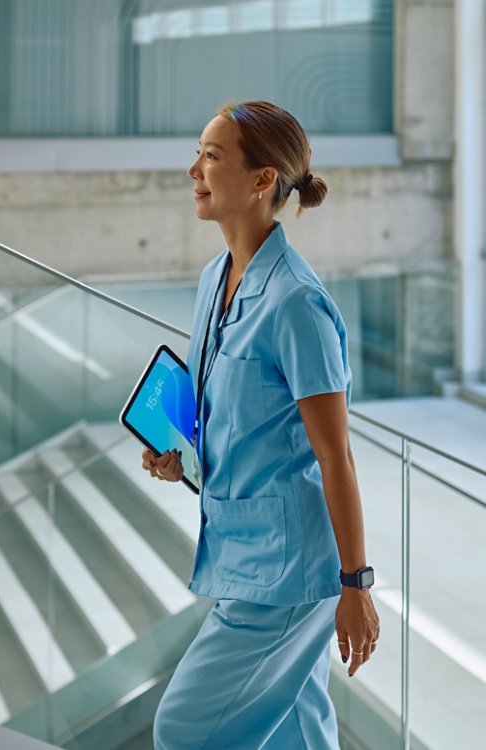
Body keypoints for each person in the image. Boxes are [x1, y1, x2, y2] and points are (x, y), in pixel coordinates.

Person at [144, 101, 380, 749]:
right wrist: (181, 457)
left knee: (183, 730)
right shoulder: (211, 281)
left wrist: (355, 586)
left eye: (212, 156)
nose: (194, 169)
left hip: (289, 573)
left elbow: (336, 457)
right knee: (295, 734)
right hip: (243, 552)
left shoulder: (299, 304)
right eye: (198, 152)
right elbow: (235, 420)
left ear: (261, 181)